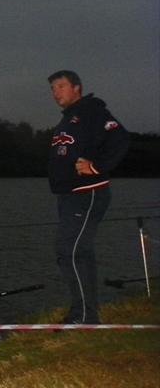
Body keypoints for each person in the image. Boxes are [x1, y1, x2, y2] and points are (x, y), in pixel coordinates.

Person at [47, 70, 129, 324]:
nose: (55, 92)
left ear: (77, 87)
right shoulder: (69, 119)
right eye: (53, 88)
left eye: (61, 86)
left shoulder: (92, 111)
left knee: (68, 249)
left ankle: (84, 315)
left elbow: (120, 138)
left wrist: (96, 167)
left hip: (87, 193)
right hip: (69, 195)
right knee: (79, 251)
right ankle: (86, 313)